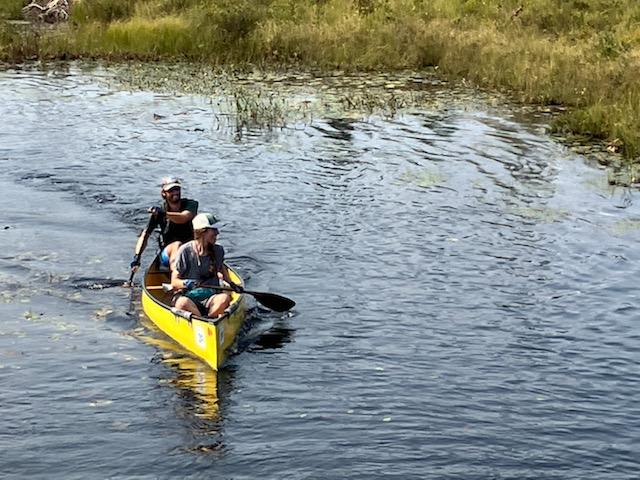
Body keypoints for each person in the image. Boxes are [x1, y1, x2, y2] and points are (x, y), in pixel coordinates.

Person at [171, 213, 242, 318]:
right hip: (189, 298)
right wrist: (186, 283)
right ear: (203, 232)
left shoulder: (218, 250)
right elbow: (174, 282)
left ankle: (207, 320)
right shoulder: (185, 251)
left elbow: (221, 268)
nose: (217, 233)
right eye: (214, 230)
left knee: (224, 299)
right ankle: (203, 320)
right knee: (181, 303)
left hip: (211, 297)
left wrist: (232, 284)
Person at [130, 177, 198, 273]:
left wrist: (164, 214)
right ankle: (176, 278)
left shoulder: (191, 204)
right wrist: (137, 257)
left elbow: (184, 217)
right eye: (171, 190)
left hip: (190, 250)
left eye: (177, 189)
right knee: (177, 245)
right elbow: (145, 234)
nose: (175, 192)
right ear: (163, 193)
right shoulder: (159, 212)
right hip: (168, 253)